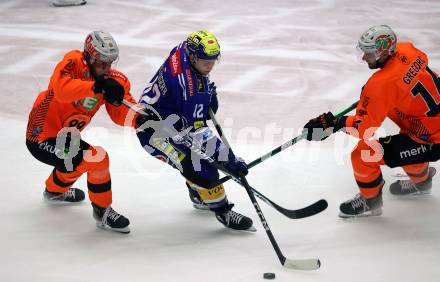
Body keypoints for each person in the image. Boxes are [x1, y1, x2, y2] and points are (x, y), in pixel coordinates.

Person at [303, 25, 440, 218]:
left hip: (433, 139)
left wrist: (336, 123)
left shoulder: (380, 85)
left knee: (363, 154)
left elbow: (364, 129)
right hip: (429, 127)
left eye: (368, 53)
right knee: (408, 141)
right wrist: (380, 98)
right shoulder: (407, 49)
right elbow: (406, 81)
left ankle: (370, 201)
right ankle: (422, 183)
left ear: (383, 51)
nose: (364, 57)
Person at [135, 29, 255, 231]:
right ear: (192, 56)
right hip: (154, 134)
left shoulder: (183, 50)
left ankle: (198, 192)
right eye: (205, 61)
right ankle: (222, 210)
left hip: (171, 120)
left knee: (201, 161)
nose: (210, 66)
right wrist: (230, 160)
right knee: (203, 169)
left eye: (213, 60)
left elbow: (192, 100)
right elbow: (199, 134)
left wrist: (206, 93)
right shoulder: (188, 88)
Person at [26, 31, 138, 233]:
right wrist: (97, 86)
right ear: (89, 56)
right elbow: (61, 89)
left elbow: (119, 113)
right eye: (101, 62)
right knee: (96, 159)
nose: (106, 68)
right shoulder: (73, 62)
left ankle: (54, 191)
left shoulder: (112, 79)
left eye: (110, 62)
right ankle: (102, 211)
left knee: (77, 159)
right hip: (40, 136)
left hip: (66, 138)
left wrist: (140, 118)